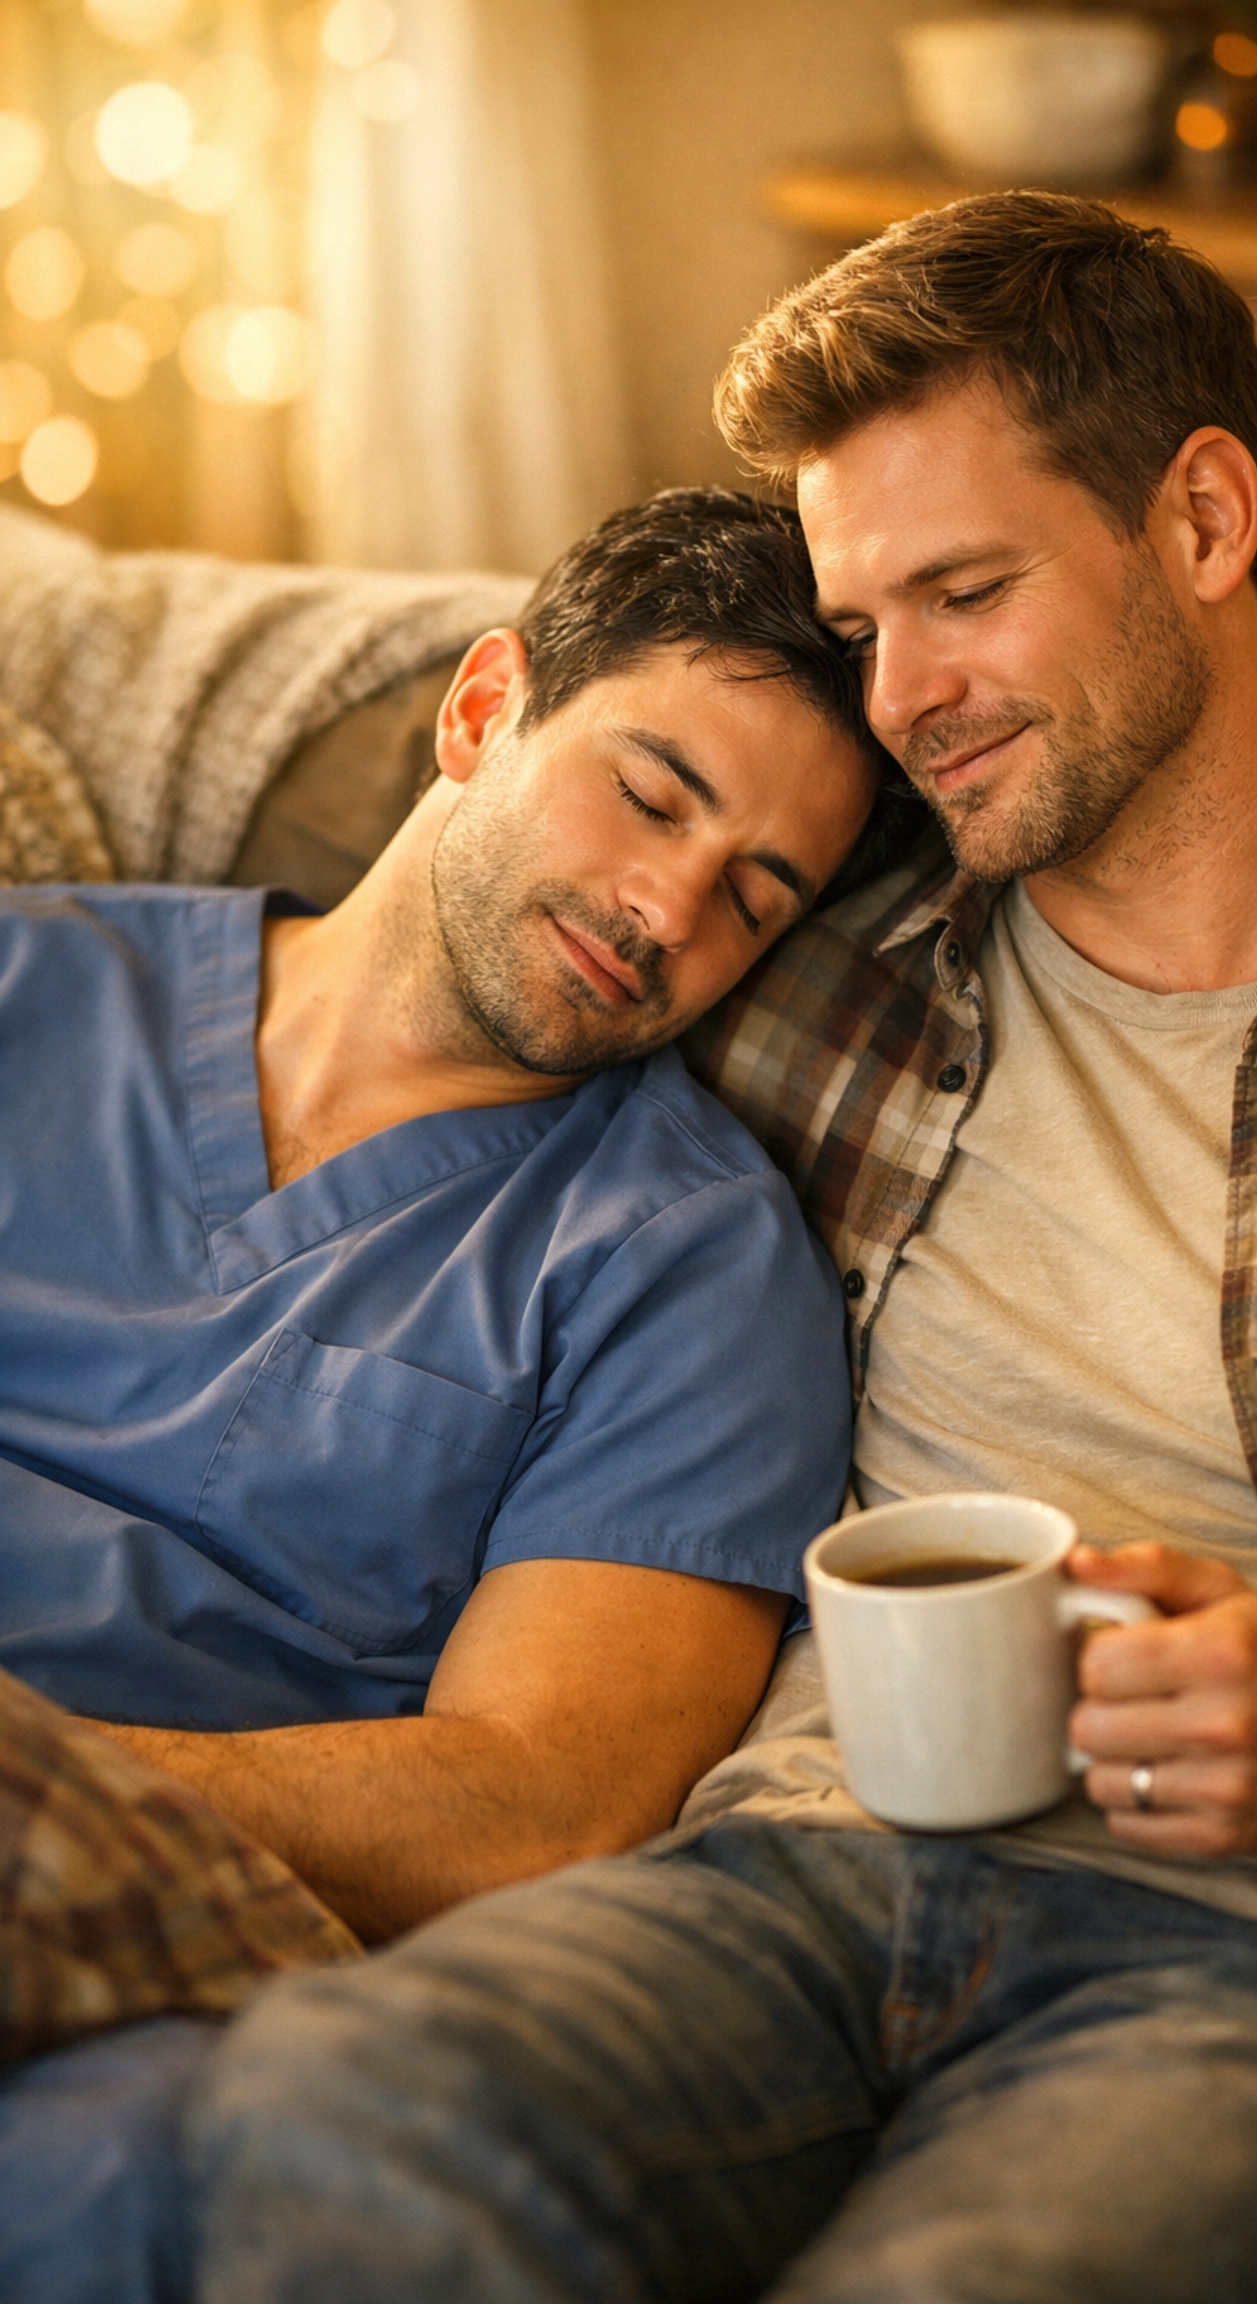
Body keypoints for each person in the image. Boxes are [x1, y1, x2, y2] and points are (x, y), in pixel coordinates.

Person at [189, 195, 1257, 2303]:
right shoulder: (802, 965)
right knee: (329, 2100)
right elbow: (455, 934)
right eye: (861, 618)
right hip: (786, 1876)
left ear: (1202, 518)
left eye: (966, 593)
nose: (898, 698)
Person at [0, 488, 904, 2299]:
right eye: (653, 795)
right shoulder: (36, 977)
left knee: (109, 2187)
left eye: (755, 896)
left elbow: (539, 1814)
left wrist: (59, 1783)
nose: (666, 911)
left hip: (177, 1934)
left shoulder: (686, 1260)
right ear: (484, 708)